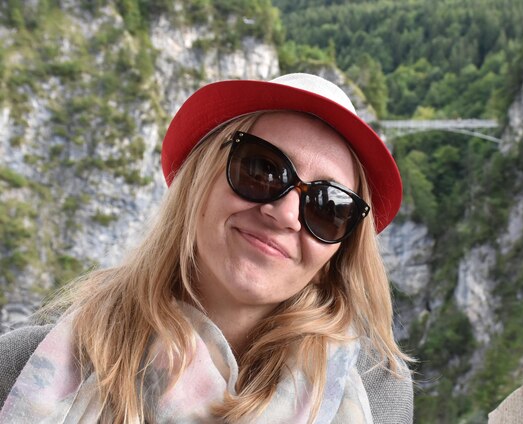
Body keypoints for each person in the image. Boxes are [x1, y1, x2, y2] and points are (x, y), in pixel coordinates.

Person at [0, 73, 413, 423]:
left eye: (328, 207)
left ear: (336, 253)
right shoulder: (22, 364)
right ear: (199, 181)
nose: (286, 213)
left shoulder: (378, 388)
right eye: (261, 169)